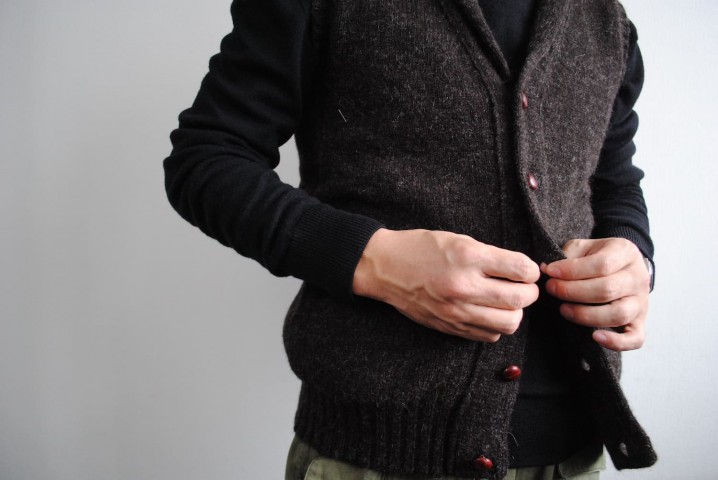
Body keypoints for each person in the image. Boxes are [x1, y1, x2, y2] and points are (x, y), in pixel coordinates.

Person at [163, 0, 657, 478]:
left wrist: (632, 256)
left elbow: (612, 181)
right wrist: (376, 262)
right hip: (372, 459)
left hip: (575, 454)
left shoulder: (606, 19)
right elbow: (206, 159)